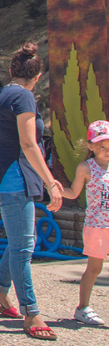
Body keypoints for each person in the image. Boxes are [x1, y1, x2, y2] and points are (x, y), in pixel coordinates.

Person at [0, 43, 63, 340]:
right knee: (25, 246)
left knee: (20, 243)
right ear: (37, 77)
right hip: (14, 178)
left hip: (2, 175)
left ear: (12, 70)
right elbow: (28, 144)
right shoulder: (24, 96)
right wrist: (51, 182)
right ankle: (32, 313)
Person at [63, 120, 109, 326]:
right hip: (96, 227)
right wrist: (54, 189)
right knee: (94, 268)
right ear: (90, 146)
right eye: (101, 146)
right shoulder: (85, 167)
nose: (106, 150)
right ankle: (82, 308)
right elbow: (73, 192)